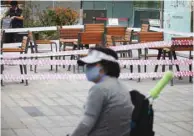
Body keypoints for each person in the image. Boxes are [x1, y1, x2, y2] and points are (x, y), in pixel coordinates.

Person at [70, 47, 134, 136]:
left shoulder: (99, 89)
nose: (87, 68)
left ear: (104, 67)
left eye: (91, 65)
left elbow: (87, 122)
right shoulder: (121, 86)